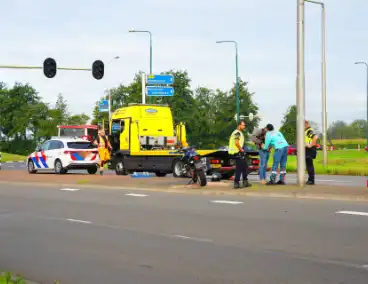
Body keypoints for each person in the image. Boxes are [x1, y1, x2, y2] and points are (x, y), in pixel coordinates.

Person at [228, 120, 252, 189]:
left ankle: (245, 182)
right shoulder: (237, 132)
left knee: (244, 167)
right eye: (243, 125)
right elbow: (236, 142)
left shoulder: (237, 132)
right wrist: (241, 149)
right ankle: (236, 183)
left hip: (238, 152)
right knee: (239, 168)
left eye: (244, 125)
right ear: (239, 125)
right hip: (237, 152)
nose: (244, 126)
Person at [305, 120, 318, 185]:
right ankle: (310, 179)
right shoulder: (306, 131)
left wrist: (310, 145)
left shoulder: (309, 130)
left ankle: (311, 180)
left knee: (309, 165)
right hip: (307, 149)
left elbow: (315, 137)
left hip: (310, 150)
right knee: (308, 165)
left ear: (306, 124)